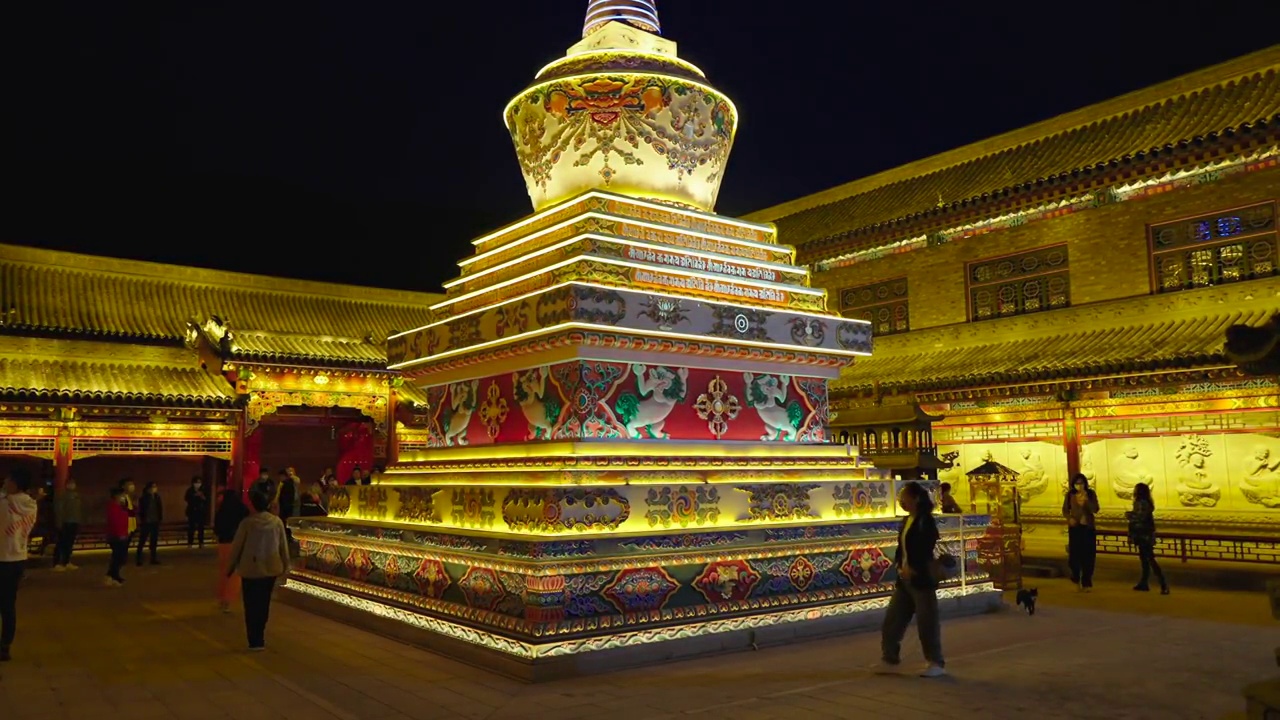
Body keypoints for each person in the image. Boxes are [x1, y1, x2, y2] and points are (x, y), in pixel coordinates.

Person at [878, 481, 946, 678]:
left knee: (927, 622)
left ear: (916, 498)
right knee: (893, 620)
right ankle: (889, 658)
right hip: (904, 580)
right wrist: (900, 565)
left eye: (904, 498)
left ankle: (936, 661)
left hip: (921, 579)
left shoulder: (925, 520)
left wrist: (915, 568)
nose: (901, 502)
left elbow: (926, 545)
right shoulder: (907, 520)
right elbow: (902, 547)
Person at [226, 491, 291, 650]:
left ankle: (253, 639)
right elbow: (283, 546)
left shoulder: (247, 523)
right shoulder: (276, 522)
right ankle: (260, 635)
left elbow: (237, 547)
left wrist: (230, 567)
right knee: (264, 602)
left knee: (251, 603)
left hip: (250, 568)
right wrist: (286, 565)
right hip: (271, 568)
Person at [0, 467, 39, 662]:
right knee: (8, 604)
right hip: (18, 558)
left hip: (2, 557)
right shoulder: (31, 504)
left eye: (7, 479)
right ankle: (5, 645)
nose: (4, 482)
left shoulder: (4, 503)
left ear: (14, 483)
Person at [1127, 482, 1169, 595]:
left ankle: (1163, 583)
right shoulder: (1147, 503)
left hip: (1142, 533)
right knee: (1145, 559)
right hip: (1146, 533)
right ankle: (1144, 582)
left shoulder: (1141, 503)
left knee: (1149, 559)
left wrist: (1130, 515)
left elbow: (1140, 516)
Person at [1062, 473, 1100, 592]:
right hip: (1075, 528)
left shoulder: (1090, 494)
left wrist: (1086, 501)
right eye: (1077, 483)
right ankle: (1076, 577)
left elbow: (1095, 509)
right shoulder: (1070, 495)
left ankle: (1087, 581)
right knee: (1075, 555)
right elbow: (1065, 510)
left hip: (1087, 528)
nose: (1080, 486)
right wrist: (1070, 518)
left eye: (1081, 483)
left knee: (1088, 555)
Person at [214, 490, 249, 613]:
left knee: (224, 571)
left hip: (223, 544)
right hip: (236, 544)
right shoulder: (242, 510)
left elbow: (216, 528)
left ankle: (222, 599)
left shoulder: (222, 510)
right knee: (234, 573)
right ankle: (228, 600)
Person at [52, 477, 84, 571]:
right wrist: (59, 521)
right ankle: (57, 562)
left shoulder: (76, 495)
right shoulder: (62, 495)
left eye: (73, 483)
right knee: (61, 542)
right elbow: (59, 509)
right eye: (70, 483)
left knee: (70, 543)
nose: (72, 485)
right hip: (65, 522)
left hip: (74, 521)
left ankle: (66, 561)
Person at [105, 488, 131, 587]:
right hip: (116, 536)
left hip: (122, 534)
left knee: (121, 557)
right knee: (118, 557)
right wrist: (120, 534)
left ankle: (114, 575)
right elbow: (114, 522)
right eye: (122, 495)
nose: (123, 497)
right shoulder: (113, 507)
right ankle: (112, 576)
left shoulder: (121, 506)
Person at [136, 481, 163, 566]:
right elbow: (141, 510)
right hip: (146, 522)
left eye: (155, 487)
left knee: (154, 541)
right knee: (142, 541)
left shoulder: (157, 497)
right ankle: (139, 559)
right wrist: (143, 519)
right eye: (152, 487)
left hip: (155, 521)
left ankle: (153, 558)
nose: (154, 489)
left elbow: (160, 509)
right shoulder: (143, 498)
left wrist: (159, 518)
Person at [184, 476, 209, 549]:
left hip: (201, 512)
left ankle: (201, 543)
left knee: (201, 528)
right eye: (196, 482)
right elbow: (186, 498)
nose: (198, 484)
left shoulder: (203, 490)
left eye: (199, 482)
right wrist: (194, 496)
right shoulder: (190, 490)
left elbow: (207, 500)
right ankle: (190, 543)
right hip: (192, 512)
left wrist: (202, 496)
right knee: (191, 528)